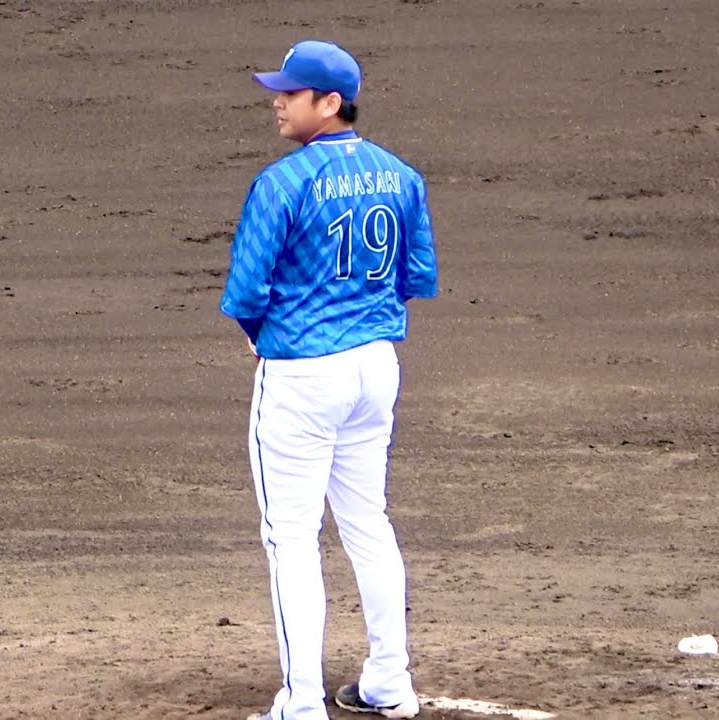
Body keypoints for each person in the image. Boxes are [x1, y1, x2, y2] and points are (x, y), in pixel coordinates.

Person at [219, 40, 439, 720]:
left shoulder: (282, 183)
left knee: (291, 537)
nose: (277, 102)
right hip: (375, 367)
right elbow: (417, 277)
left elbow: (246, 292)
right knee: (367, 521)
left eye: (292, 92)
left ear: (331, 102)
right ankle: (389, 683)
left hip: (304, 376)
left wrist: (263, 335)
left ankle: (302, 702)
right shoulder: (402, 176)